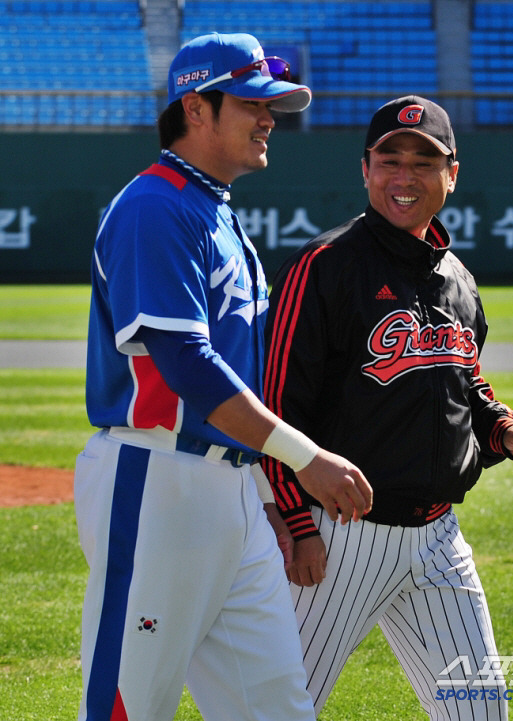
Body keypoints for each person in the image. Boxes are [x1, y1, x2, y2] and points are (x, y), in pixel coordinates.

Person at [74, 32, 372, 721]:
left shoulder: (215, 211)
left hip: (232, 489)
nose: (270, 117)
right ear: (196, 108)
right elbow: (186, 367)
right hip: (157, 482)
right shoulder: (156, 206)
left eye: (273, 104)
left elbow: (241, 375)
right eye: (251, 103)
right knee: (129, 704)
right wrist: (304, 458)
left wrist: (259, 487)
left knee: (274, 705)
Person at [263, 95, 513, 721]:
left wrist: (507, 432)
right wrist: (297, 523)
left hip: (441, 536)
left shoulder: (458, 280)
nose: (404, 176)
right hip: (341, 536)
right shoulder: (323, 266)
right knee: (279, 710)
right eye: (390, 160)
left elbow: (466, 393)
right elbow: (277, 408)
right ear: (365, 169)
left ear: (451, 173)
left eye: (424, 162)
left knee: (480, 711)